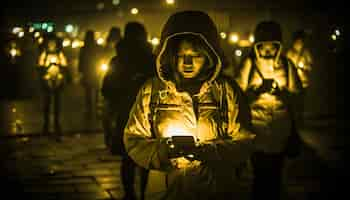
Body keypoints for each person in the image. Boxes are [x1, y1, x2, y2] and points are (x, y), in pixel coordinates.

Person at [123, 10, 256, 200]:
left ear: (209, 55)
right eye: (180, 55)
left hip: (215, 189)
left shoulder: (226, 91)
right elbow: (133, 139)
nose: (187, 63)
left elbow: (244, 141)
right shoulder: (151, 91)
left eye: (196, 55)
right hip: (166, 190)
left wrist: (205, 152)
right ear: (169, 55)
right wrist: (163, 151)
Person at [235, 20, 303, 200]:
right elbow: (237, 96)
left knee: (276, 176)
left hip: (280, 130)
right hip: (256, 130)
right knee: (259, 176)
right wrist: (256, 92)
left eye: (271, 46)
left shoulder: (287, 65)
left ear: (278, 46)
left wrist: (281, 93)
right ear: (257, 46)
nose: (267, 51)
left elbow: (297, 95)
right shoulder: (248, 65)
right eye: (263, 47)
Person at [101, 22, 155, 200]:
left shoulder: (118, 60)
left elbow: (107, 89)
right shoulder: (152, 60)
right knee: (147, 160)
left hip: (125, 114)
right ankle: (145, 194)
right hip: (149, 115)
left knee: (128, 158)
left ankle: (130, 194)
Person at [37, 33, 68, 140]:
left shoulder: (60, 54)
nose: (51, 45)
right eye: (50, 43)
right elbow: (40, 66)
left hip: (58, 81)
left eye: (53, 43)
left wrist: (58, 66)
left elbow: (64, 65)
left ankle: (56, 123)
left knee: (57, 104)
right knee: (47, 103)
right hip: (47, 81)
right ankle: (46, 124)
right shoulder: (44, 54)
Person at [78, 30, 103, 119]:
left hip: (88, 72)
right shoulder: (97, 47)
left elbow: (81, 61)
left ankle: (89, 110)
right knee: (96, 92)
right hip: (94, 71)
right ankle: (96, 109)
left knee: (88, 92)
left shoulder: (84, 48)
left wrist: (81, 71)